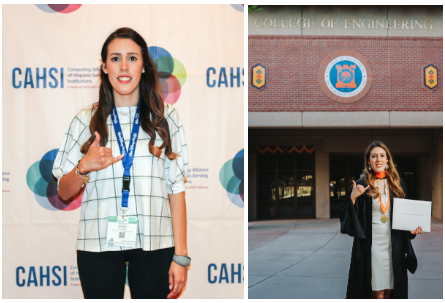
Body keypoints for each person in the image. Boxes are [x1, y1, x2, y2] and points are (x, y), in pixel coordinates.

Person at [52, 27, 189, 299]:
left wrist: (181, 257)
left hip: (155, 244)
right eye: (115, 59)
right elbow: (63, 192)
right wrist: (83, 167)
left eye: (132, 58)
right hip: (97, 245)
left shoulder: (166, 118)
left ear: (144, 67)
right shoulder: (85, 120)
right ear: (104, 66)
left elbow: (175, 191)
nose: (123, 66)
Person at [339, 141, 422, 299]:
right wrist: (353, 198)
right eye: (374, 156)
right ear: (369, 161)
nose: (378, 159)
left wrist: (411, 229)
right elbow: (345, 218)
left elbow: (405, 216)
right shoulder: (361, 186)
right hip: (371, 247)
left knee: (391, 290)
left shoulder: (398, 185)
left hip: (394, 246)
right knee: (377, 293)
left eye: (382, 156)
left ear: (388, 160)